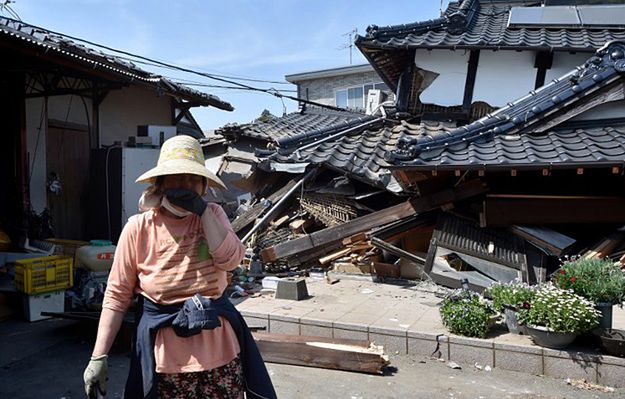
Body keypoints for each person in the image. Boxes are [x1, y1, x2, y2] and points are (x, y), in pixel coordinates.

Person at [83, 135, 276, 399]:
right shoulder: (138, 228)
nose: (185, 186)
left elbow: (230, 261)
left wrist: (204, 212)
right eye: (176, 177)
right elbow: (117, 296)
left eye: (193, 178)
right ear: (160, 184)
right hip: (166, 359)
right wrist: (99, 355)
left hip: (220, 351)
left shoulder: (214, 216)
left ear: (203, 185)